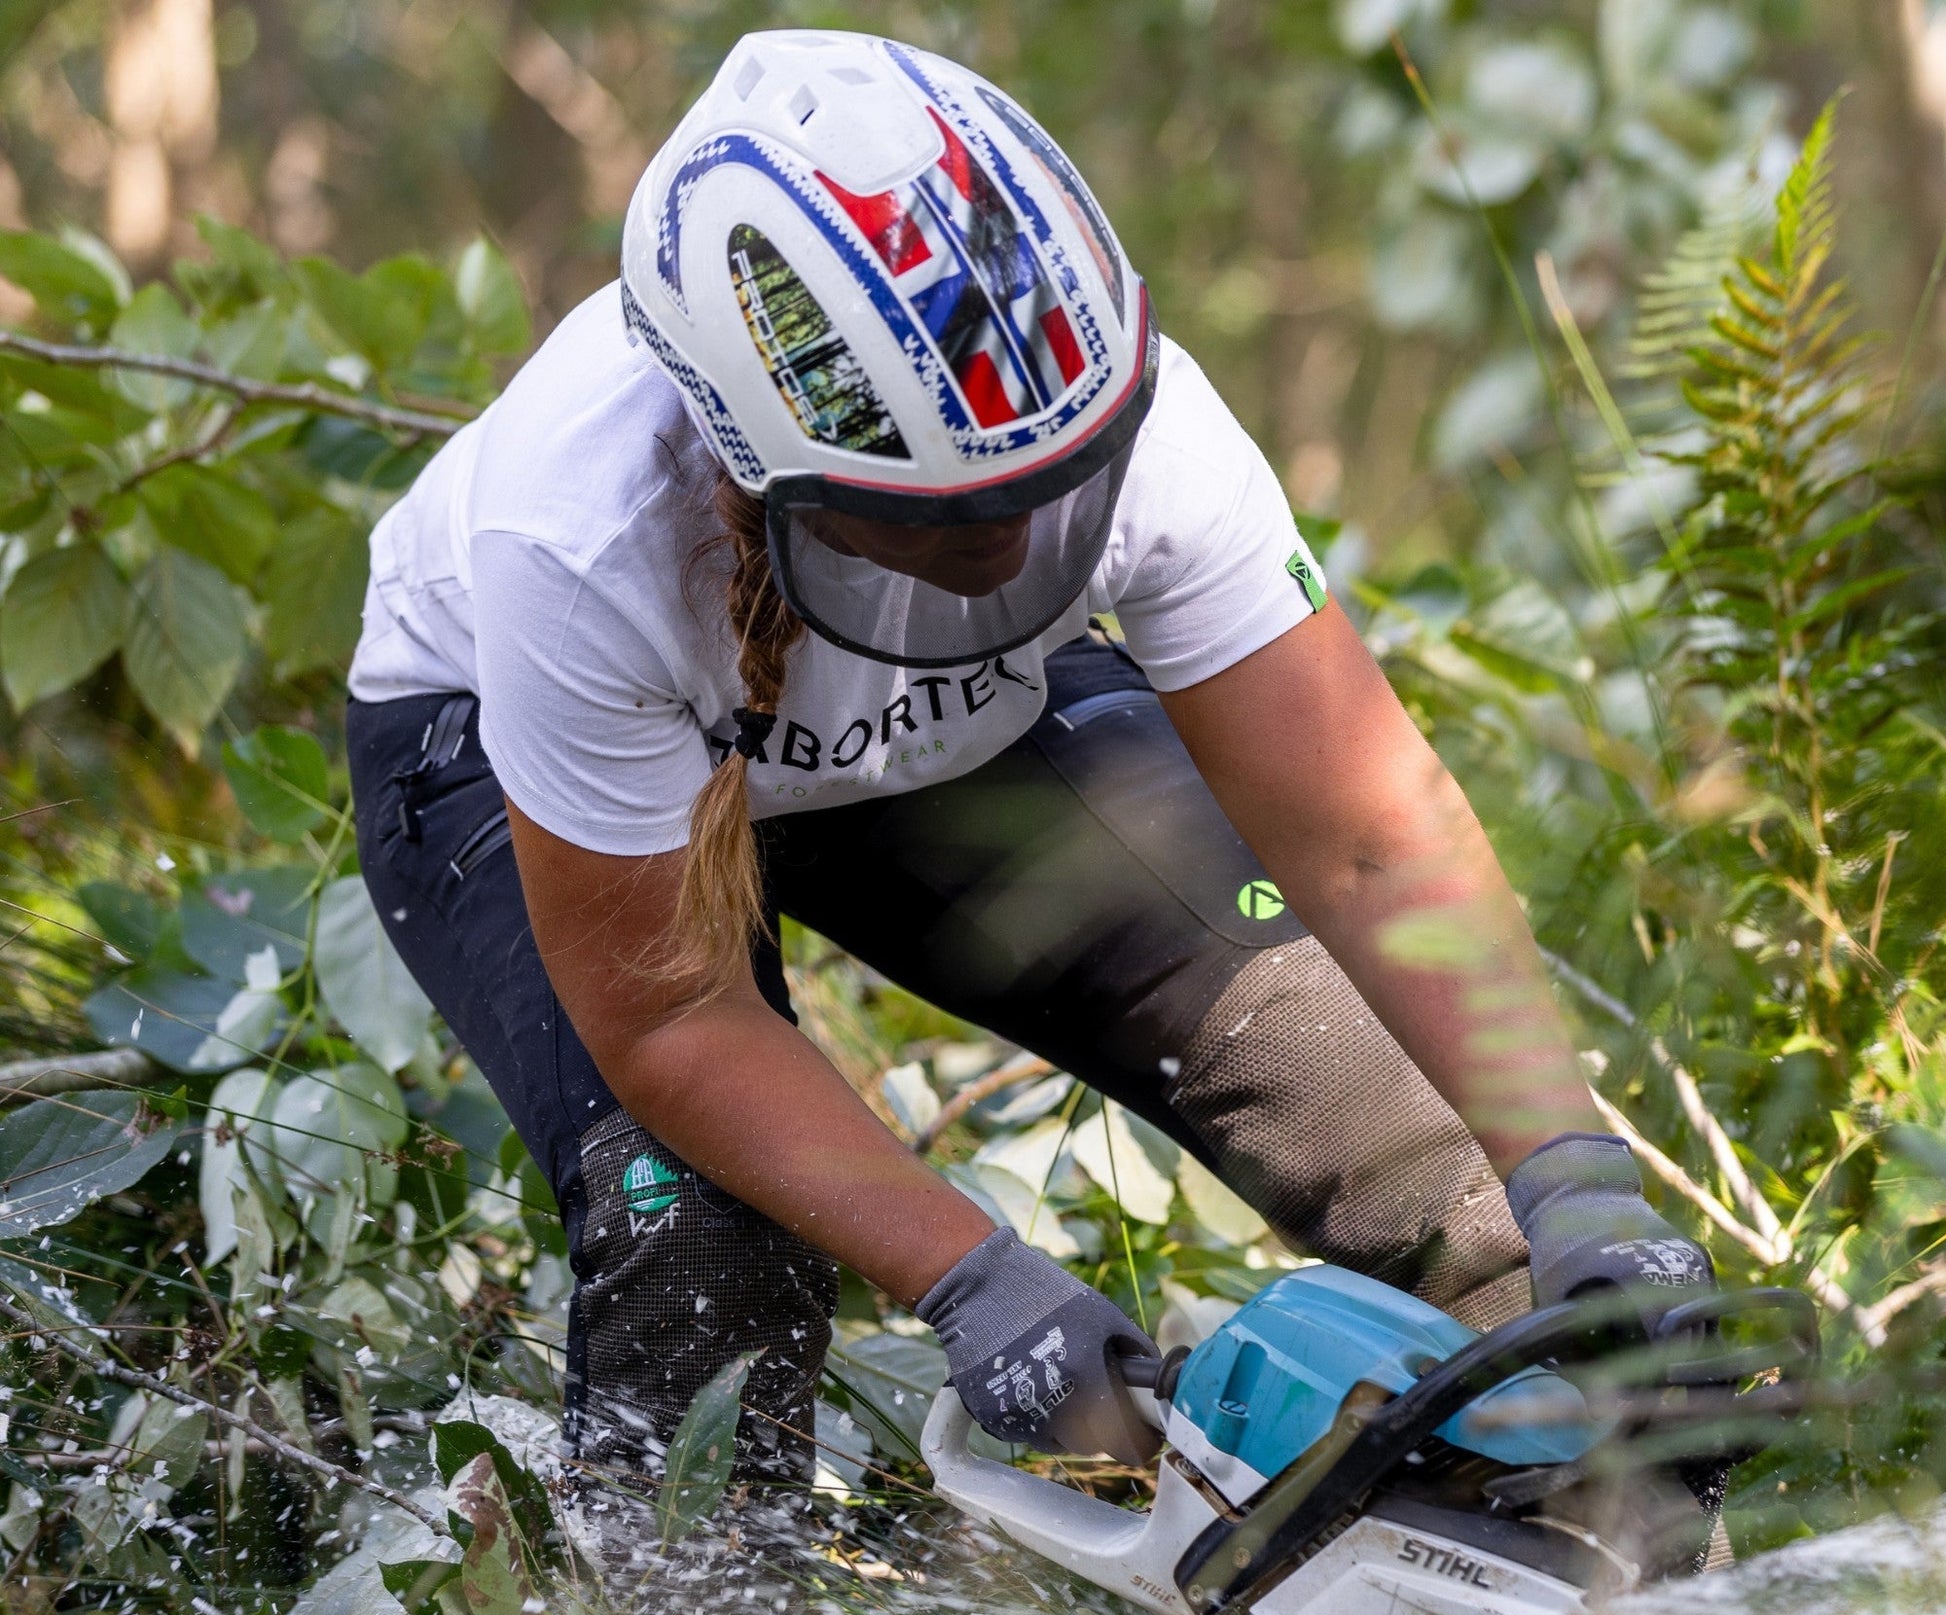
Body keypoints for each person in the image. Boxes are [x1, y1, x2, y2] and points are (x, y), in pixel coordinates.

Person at [345, 29, 1712, 1484]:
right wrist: (972, 1279)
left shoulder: (1144, 429)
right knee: (703, 1231)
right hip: (503, 750)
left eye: (1046, 492)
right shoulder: (581, 534)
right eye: (951, 524)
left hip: (966, 715)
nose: (1013, 545)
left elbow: (1372, 834)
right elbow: (672, 1020)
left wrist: (1569, 1173)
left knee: (1377, 1113)